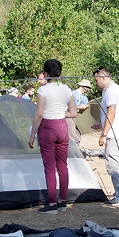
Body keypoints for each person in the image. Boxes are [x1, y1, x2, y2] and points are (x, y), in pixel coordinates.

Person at [29, 59, 78, 214]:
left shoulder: (42, 91)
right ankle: (62, 202)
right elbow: (74, 113)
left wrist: (32, 136)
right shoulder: (67, 89)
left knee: (50, 167)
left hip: (47, 128)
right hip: (62, 128)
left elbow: (39, 114)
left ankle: (51, 205)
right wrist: (59, 113)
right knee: (62, 165)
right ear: (60, 72)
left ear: (46, 73)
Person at [93, 68, 119, 206]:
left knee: (113, 164)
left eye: (96, 80)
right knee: (117, 163)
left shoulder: (111, 91)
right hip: (118, 132)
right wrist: (101, 123)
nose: (95, 83)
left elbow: (112, 112)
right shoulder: (112, 90)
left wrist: (104, 134)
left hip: (115, 133)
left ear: (103, 78)